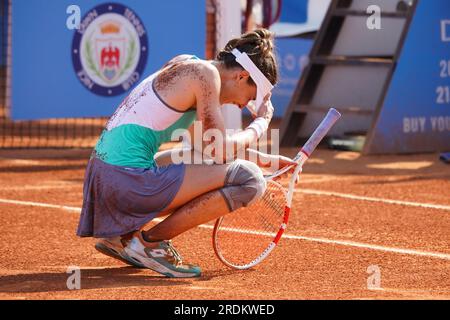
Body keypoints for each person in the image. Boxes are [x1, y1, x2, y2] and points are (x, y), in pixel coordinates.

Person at [77, 28, 296, 278]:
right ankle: (148, 244)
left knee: (187, 154)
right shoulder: (205, 77)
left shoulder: (187, 64)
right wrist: (261, 123)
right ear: (242, 76)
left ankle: (120, 238)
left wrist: (267, 160)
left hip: (104, 180)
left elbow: (206, 148)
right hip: (126, 183)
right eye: (252, 96)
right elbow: (220, 150)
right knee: (251, 181)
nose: (245, 105)